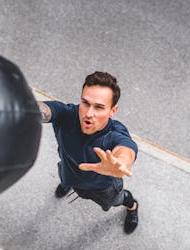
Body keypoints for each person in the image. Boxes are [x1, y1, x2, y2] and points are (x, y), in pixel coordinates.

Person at [38, 71, 139, 234]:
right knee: (65, 180)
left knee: (117, 200)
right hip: (68, 171)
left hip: (102, 188)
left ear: (113, 111)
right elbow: (45, 110)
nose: (88, 113)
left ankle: (133, 206)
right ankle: (67, 185)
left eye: (99, 107)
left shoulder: (114, 133)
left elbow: (126, 148)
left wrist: (120, 164)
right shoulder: (67, 114)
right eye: (85, 103)